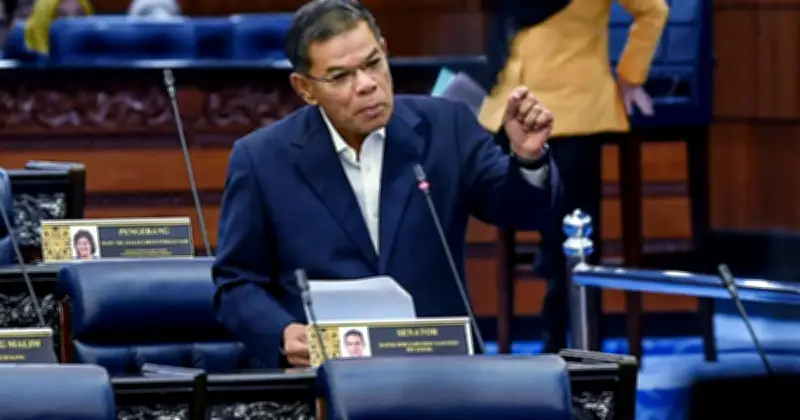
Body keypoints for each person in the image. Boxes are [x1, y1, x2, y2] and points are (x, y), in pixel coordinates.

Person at [212, 0, 560, 368]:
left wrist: (528, 159)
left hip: (442, 369)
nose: (366, 85)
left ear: (384, 50)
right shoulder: (263, 159)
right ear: (305, 88)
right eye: (340, 77)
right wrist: (281, 333)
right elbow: (236, 282)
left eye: (373, 63)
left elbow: (522, 210)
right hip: (327, 374)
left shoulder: (447, 127)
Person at [479, 0, 668, 353]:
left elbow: (653, 10)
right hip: (507, 105)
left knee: (566, 222)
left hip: (574, 111)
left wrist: (630, 76)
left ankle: (561, 332)